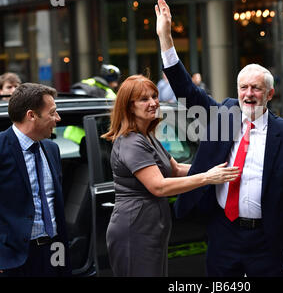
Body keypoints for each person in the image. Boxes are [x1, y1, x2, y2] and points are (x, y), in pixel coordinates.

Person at [155, 0, 283, 277]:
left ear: (269, 94)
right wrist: (165, 37)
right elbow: (187, 93)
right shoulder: (224, 116)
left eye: (256, 88)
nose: (249, 94)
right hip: (223, 233)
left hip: (268, 240)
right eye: (244, 87)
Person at [101, 75, 240, 277]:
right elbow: (159, 186)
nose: (153, 102)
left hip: (150, 227)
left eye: (154, 96)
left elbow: (175, 170)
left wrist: (224, 169)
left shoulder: (146, 135)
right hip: (135, 230)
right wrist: (208, 178)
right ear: (130, 107)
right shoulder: (132, 142)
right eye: (144, 99)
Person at [0, 83, 71, 277]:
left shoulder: (51, 149)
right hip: (12, 260)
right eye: (53, 113)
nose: (58, 118)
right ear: (31, 115)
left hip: (53, 252)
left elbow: (55, 205)